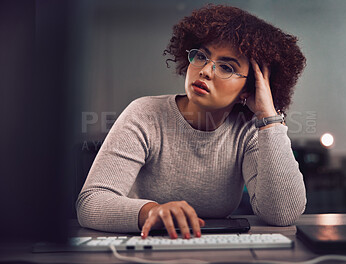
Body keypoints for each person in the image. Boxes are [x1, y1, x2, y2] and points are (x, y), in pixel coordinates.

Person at [76, 4, 307, 240]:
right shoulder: (144, 114)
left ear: (248, 90)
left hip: (217, 251)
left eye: (227, 67)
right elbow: (91, 202)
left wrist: (269, 119)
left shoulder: (249, 130)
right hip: (143, 246)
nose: (206, 70)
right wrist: (152, 212)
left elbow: (282, 214)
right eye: (202, 56)